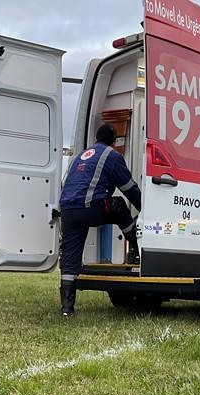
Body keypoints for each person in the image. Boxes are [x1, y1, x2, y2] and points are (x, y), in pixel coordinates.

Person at [59, 123, 141, 317]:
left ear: (96, 138)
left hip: (68, 211)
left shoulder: (81, 155)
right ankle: (136, 250)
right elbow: (128, 187)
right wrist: (145, 209)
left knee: (70, 259)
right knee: (119, 206)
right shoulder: (111, 156)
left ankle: (67, 309)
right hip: (90, 209)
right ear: (114, 141)